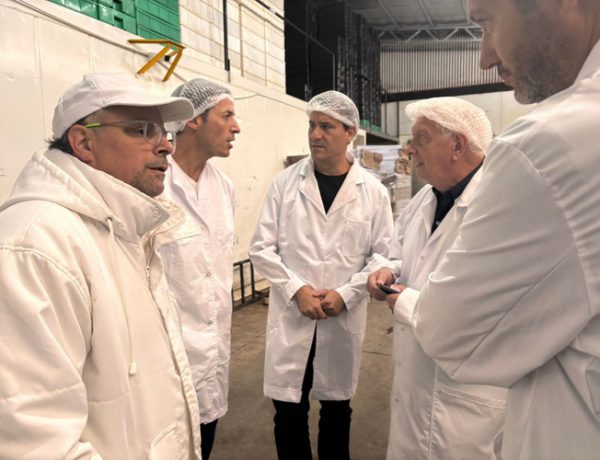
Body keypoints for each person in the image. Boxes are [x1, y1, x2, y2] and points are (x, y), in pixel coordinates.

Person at [385, 0, 600, 458]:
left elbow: (447, 331)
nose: (485, 58)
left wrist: (402, 299)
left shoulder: (549, 146)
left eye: (486, 22)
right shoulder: (424, 200)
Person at [0, 73, 202, 459]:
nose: (165, 146)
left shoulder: (127, 230)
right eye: (141, 130)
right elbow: (34, 443)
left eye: (164, 132)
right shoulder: (35, 246)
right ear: (84, 143)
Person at [249, 90, 394, 460]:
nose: (315, 134)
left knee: (336, 411)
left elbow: (384, 255)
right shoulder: (285, 184)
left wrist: (347, 293)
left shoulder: (373, 192)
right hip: (293, 313)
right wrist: (296, 289)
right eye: (312, 125)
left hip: (340, 316)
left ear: (350, 133)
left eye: (326, 127)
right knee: (288, 411)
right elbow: (261, 248)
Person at [367, 97, 506, 459]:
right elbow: (399, 251)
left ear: (457, 145)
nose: (410, 149)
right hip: (414, 381)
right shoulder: (424, 200)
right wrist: (388, 269)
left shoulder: (498, 205)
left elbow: (479, 306)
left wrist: (404, 300)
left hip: (465, 396)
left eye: (422, 139)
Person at [158, 77, 240, 460]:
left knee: (204, 442)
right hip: (165, 358)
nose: (236, 127)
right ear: (193, 119)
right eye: (226, 116)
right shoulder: (154, 185)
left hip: (213, 352)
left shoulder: (223, 188)